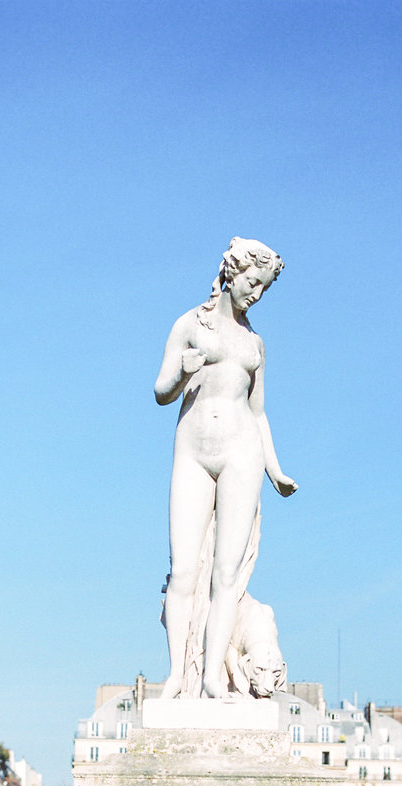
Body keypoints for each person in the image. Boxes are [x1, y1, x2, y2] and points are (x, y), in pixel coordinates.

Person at [154, 237, 296, 699]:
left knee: (227, 575)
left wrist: (275, 471)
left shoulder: (255, 344)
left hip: (242, 453)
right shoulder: (188, 324)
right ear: (231, 273)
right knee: (183, 573)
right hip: (192, 451)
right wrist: (182, 370)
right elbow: (161, 391)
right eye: (253, 282)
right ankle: (177, 674)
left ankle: (213, 675)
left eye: (264, 289)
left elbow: (258, 413)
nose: (256, 293)